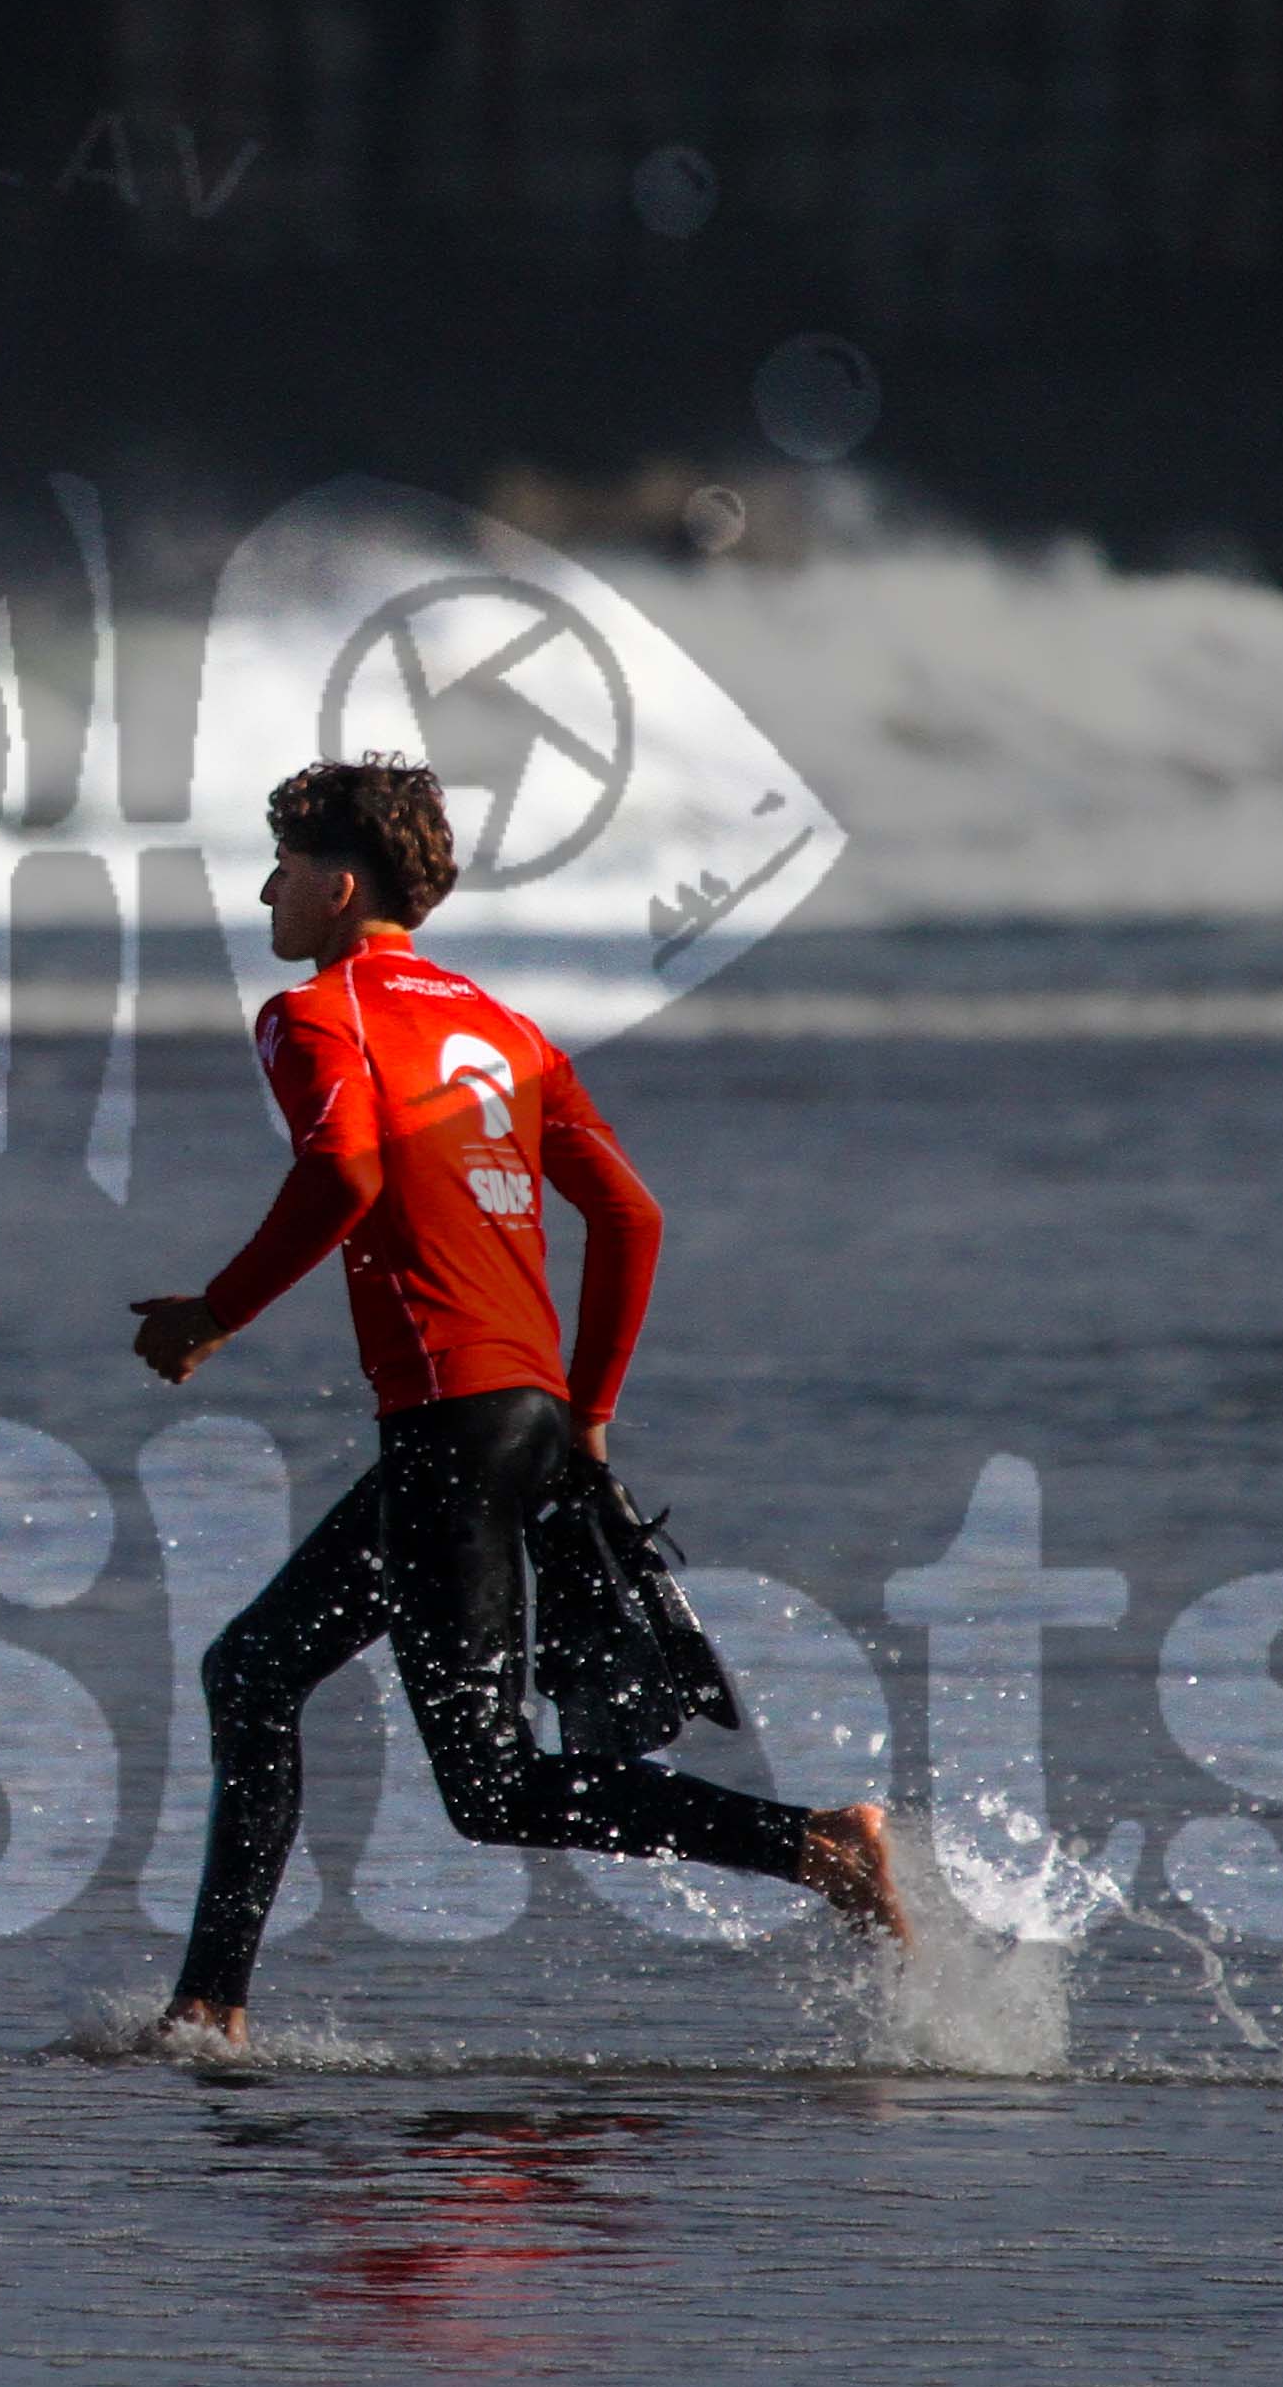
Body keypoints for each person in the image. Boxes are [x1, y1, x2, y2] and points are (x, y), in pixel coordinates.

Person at [129, 756, 904, 2042]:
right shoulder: (507, 1030)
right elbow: (630, 1215)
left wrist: (214, 1313)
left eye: (281, 868)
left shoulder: (315, 1013)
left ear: (336, 887)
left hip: (452, 1422)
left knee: (488, 1787)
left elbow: (343, 1174)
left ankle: (820, 1847)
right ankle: (208, 2008)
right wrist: (586, 1411)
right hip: (521, 1417)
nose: (265, 892)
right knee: (254, 1671)